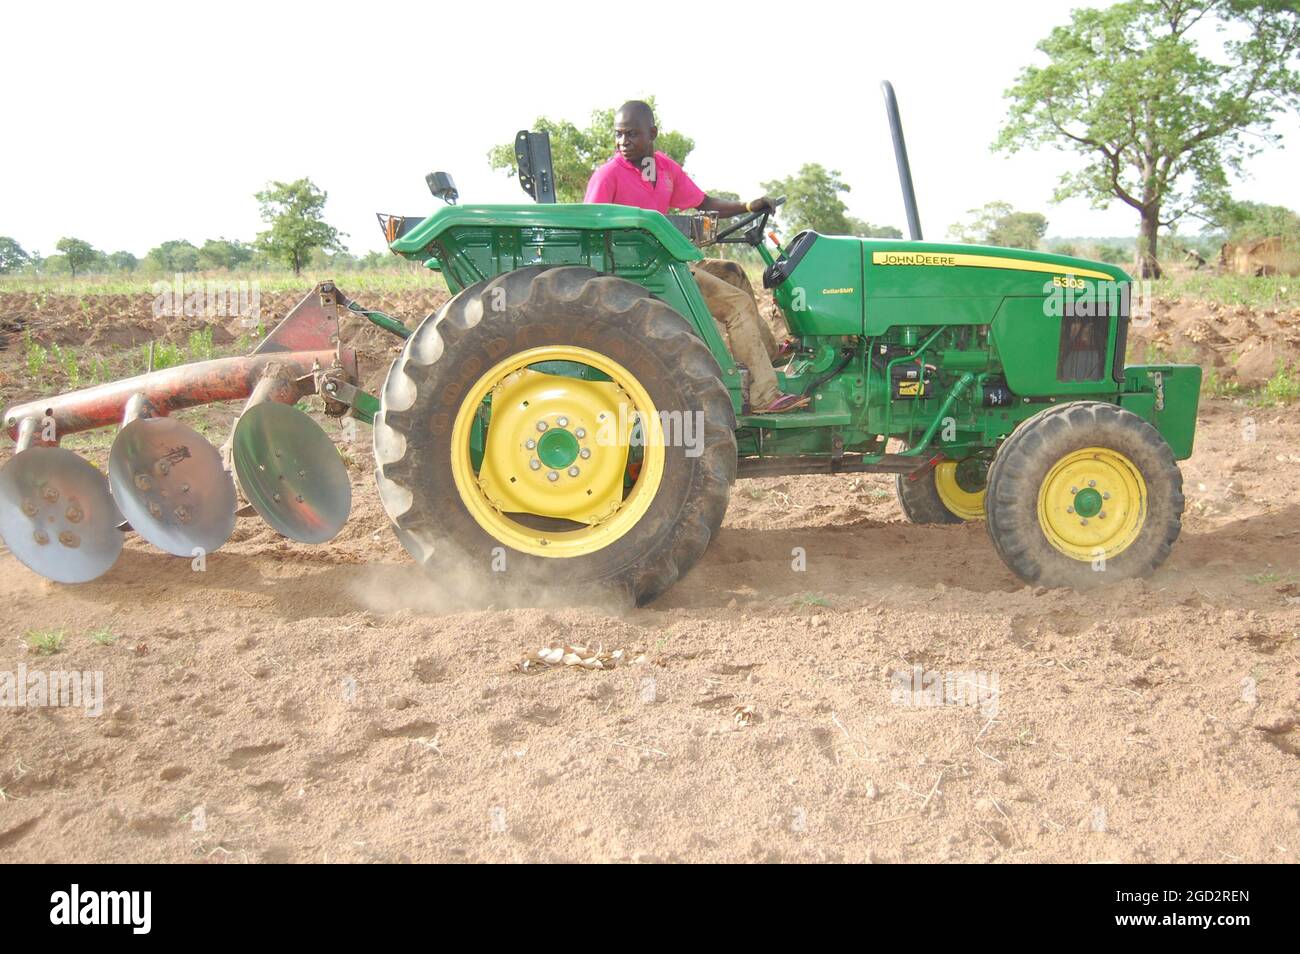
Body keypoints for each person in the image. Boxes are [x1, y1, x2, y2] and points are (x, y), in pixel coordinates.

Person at [583, 101, 803, 413]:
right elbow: (588, 226)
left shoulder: (664, 169)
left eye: (631, 134)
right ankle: (764, 396)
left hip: (668, 263)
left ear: (653, 134)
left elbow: (703, 201)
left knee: (734, 273)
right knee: (737, 304)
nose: (623, 143)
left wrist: (748, 206)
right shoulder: (608, 176)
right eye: (618, 135)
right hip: (643, 273)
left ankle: (768, 355)